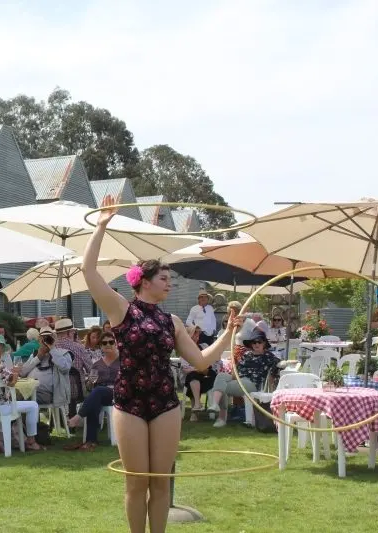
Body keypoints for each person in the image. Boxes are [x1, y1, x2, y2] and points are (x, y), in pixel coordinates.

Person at [82, 195, 241, 533]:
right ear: (144, 281)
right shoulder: (122, 310)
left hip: (165, 402)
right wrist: (101, 226)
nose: (170, 283)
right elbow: (88, 271)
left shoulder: (172, 321)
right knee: (137, 484)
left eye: (170, 279)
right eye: (164, 278)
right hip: (129, 402)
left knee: (161, 484)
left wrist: (228, 333)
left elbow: (199, 361)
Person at [208, 332, 281, 428]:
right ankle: (215, 405)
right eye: (254, 342)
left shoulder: (268, 356)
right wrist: (233, 373)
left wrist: (285, 364)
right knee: (221, 376)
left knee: (219, 388)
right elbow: (236, 370)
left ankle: (221, 417)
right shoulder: (247, 354)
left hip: (252, 383)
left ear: (264, 343)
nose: (256, 344)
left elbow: (280, 364)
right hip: (238, 378)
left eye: (259, 342)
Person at [66, 331, 120, 450]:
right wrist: (90, 382)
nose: (108, 345)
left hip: (118, 393)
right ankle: (91, 440)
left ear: (116, 344)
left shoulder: (123, 361)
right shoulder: (97, 364)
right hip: (100, 393)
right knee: (95, 400)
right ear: (100, 346)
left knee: (97, 393)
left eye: (111, 342)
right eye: (104, 343)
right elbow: (90, 386)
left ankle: (79, 417)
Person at [19, 326, 72, 408]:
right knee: (15, 396)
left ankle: (26, 420)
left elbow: (65, 367)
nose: (45, 341)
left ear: (54, 339)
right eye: (43, 338)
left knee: (22, 399)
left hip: (50, 394)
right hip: (31, 390)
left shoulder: (63, 354)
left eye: (48, 338)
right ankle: (25, 420)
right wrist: (38, 357)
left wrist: (52, 349)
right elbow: (22, 372)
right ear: (39, 340)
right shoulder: (35, 354)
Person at [182, 325, 221, 422]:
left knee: (207, 376)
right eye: (194, 333)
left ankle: (195, 409)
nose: (197, 336)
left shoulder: (204, 346)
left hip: (207, 375)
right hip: (194, 375)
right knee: (193, 377)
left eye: (198, 333)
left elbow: (213, 360)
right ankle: (197, 405)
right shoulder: (184, 350)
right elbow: (185, 369)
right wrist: (198, 368)